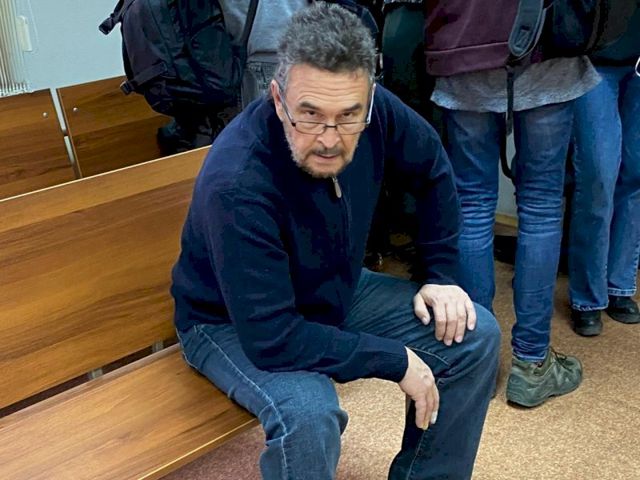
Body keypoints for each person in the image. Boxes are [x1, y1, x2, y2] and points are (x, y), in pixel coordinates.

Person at [171, 4, 500, 479]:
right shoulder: (238, 183)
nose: (330, 139)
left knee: (475, 335)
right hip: (228, 322)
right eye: (310, 115)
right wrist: (394, 361)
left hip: (333, 288)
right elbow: (274, 339)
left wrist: (441, 275)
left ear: (368, 99)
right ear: (278, 99)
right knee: (309, 414)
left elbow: (432, 168)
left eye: (348, 116)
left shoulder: (375, 110)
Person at [424, 0, 600, 407]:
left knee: (471, 205)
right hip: (542, 40)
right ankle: (532, 363)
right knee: (540, 208)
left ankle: (476, 365)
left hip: (461, 42)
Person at [568, 3, 640, 336]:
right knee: (597, 177)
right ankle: (588, 297)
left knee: (635, 175)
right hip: (592, 59)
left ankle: (620, 285)